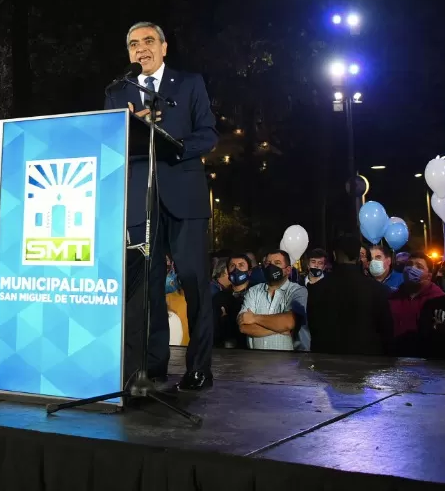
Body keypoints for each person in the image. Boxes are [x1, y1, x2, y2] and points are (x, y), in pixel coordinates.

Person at [106, 21, 218, 391]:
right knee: (148, 288)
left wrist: (175, 142)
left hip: (184, 194)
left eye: (149, 41)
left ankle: (199, 368)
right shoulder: (118, 91)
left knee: (194, 282)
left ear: (164, 47)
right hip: (141, 198)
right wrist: (129, 128)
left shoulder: (189, 84)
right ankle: (151, 367)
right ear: (128, 53)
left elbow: (209, 134)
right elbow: (108, 141)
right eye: (134, 43)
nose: (142, 48)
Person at [307, 234, 393, 355]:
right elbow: (386, 331)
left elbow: (313, 328)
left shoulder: (317, 288)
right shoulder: (379, 290)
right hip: (367, 363)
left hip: (328, 363)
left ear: (335, 255)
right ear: (358, 256)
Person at [238, 250, 306, 351]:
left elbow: (289, 322)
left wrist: (254, 318)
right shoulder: (253, 291)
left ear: (288, 270)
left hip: (286, 363)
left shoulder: (297, 291)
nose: (271, 267)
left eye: (277, 263)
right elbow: (243, 326)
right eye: (268, 263)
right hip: (255, 362)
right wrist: (280, 328)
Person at [389, 250, 445, 356]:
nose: (412, 269)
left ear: (429, 275)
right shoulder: (393, 297)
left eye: (419, 266)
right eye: (409, 265)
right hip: (395, 357)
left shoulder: (438, 299)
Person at [213, 255, 251, 348]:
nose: (236, 269)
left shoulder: (257, 295)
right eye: (232, 266)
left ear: (249, 272)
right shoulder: (219, 297)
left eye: (241, 265)